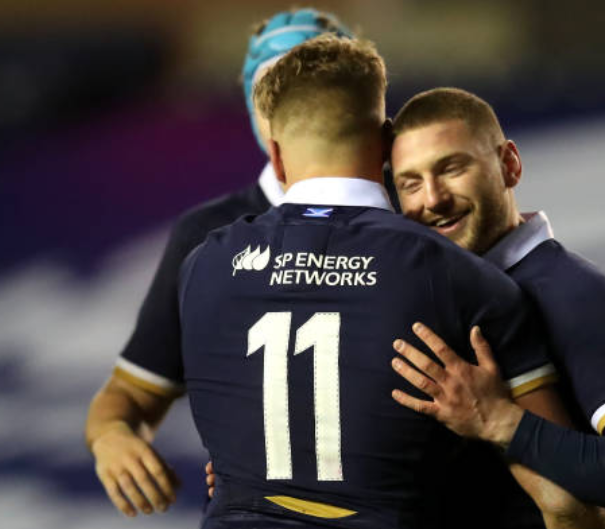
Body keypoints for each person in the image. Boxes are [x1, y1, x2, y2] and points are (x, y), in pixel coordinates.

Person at [180, 35, 562, 529]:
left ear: (275, 156)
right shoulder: (462, 276)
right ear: (387, 143)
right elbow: (563, 491)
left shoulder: (202, 266)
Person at [84, 8, 352, 517]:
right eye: (276, 86)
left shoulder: (419, 204)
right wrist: (113, 438)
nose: (298, 105)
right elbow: (128, 395)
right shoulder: (206, 236)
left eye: (315, 80)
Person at [386, 87, 605, 526]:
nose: (433, 199)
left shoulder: (580, 294)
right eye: (410, 183)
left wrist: (502, 422)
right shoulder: (420, 297)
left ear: (508, 165)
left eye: (452, 168)